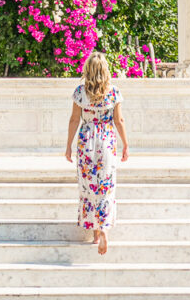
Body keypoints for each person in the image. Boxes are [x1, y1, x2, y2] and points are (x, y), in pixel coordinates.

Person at [65, 51, 129, 255]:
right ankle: (104, 230)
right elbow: (119, 121)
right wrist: (126, 144)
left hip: (86, 139)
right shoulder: (114, 92)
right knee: (106, 186)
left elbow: (74, 120)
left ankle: (95, 233)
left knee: (89, 185)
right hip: (107, 141)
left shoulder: (80, 92)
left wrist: (68, 146)